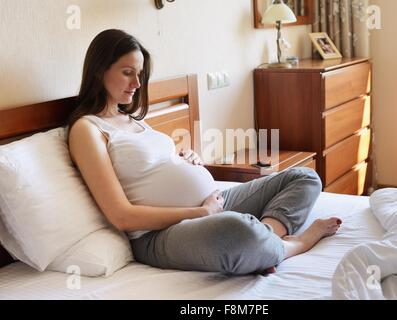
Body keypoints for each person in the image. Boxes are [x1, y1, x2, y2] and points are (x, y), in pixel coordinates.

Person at [68, 29, 342, 275]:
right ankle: (293, 243)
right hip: (161, 233)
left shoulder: (133, 119)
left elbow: (153, 167)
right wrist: (200, 213)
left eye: (140, 74)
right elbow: (122, 216)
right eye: (128, 72)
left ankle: (269, 241)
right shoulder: (88, 129)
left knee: (304, 177)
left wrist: (186, 161)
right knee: (236, 230)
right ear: (98, 70)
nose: (137, 84)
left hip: (212, 204)